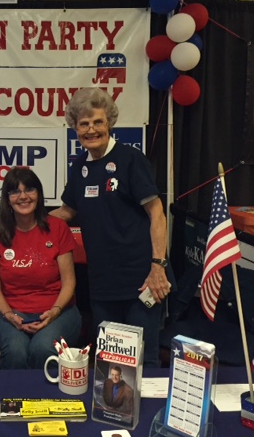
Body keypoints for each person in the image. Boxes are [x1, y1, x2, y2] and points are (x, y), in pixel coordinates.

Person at [50, 87, 171, 368]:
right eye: (84, 124)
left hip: (142, 281)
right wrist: (24, 222)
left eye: (97, 122)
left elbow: (157, 213)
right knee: (108, 364)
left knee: (144, 361)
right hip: (103, 284)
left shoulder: (131, 160)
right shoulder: (79, 165)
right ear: (75, 128)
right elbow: (68, 211)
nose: (91, 129)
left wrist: (157, 267)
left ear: (109, 124)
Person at [0, 167, 82, 369]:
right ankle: (13, 399)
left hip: (59, 311)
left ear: (38, 194)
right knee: (16, 353)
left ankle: (47, 400)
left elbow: (69, 281)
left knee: (43, 348)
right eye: (15, 191)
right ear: (7, 198)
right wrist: (9, 314)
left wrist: (54, 312)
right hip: (12, 313)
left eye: (29, 189)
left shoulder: (58, 228)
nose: (23, 197)